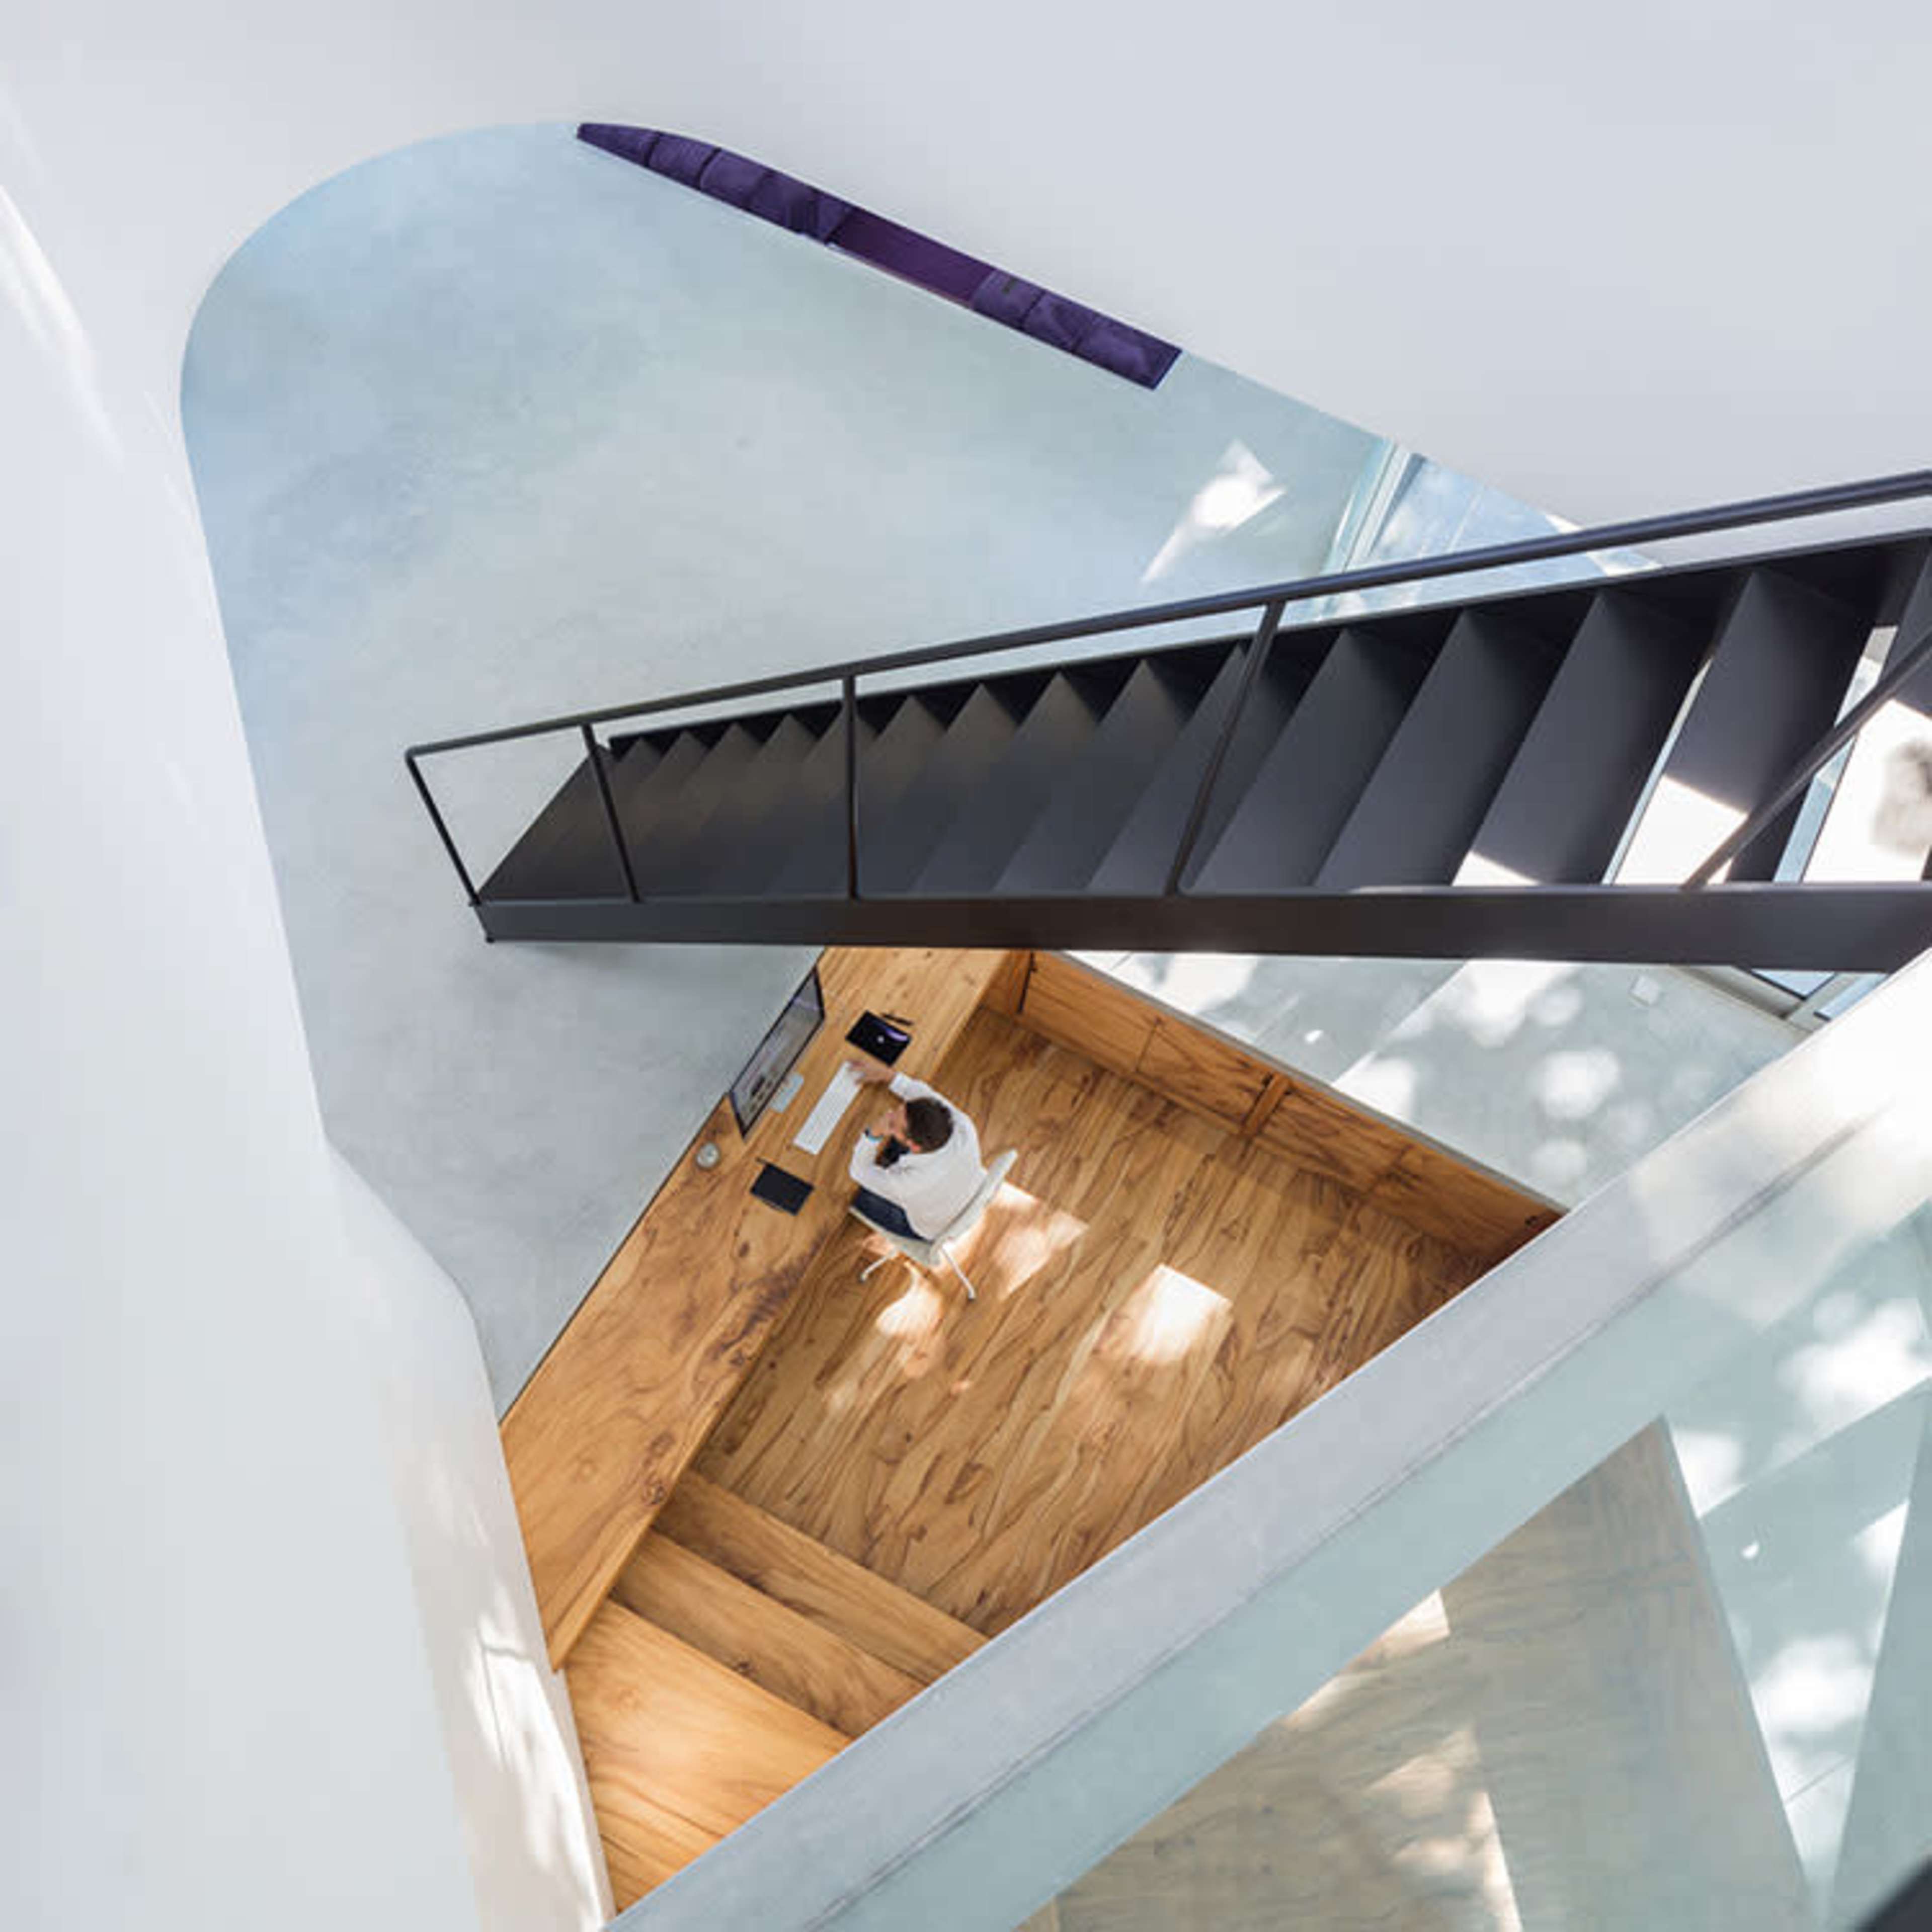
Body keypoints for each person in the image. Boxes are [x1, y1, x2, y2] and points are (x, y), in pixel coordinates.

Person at [845, 1059, 986, 1241]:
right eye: (900, 1110)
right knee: (890, 1153)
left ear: (914, 1146)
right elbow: (927, 1096)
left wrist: (874, 1134)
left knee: (853, 1195)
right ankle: (891, 1153)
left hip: (930, 1228)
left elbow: (858, 1172)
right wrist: (889, 1076)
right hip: (961, 1191)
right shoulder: (963, 1127)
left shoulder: (910, 1185)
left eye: (893, 1124)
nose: (888, 1115)